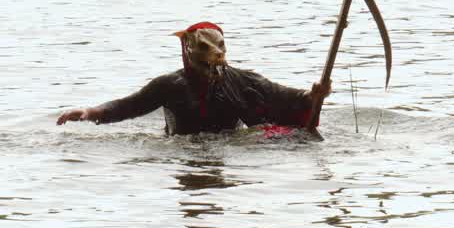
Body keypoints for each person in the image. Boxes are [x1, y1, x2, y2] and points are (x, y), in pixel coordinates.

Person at [56, 21, 330, 136]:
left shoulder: (240, 81)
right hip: (182, 150)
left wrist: (313, 96)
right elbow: (129, 106)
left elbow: (285, 98)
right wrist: (90, 112)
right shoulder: (169, 85)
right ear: (186, 54)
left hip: (226, 150)